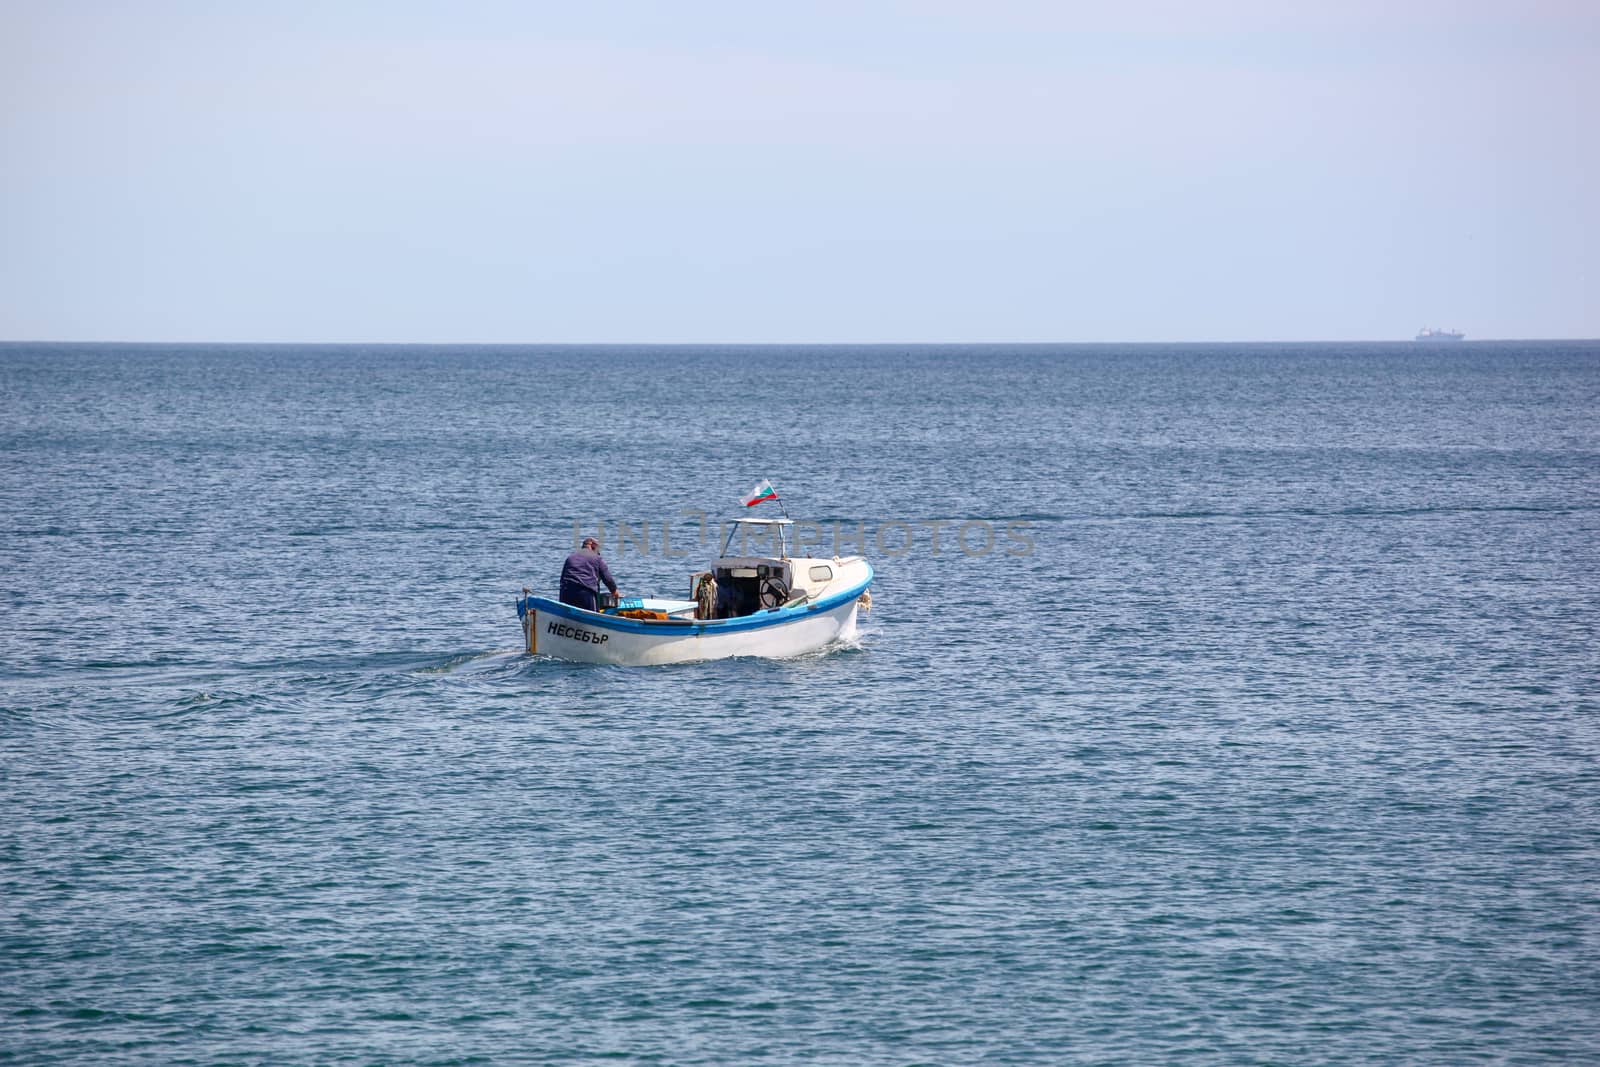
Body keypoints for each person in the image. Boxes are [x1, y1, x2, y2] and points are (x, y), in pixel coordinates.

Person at [559, 537, 619, 611]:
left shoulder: (570, 557)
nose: (598, 553)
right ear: (592, 545)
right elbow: (607, 578)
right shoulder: (597, 558)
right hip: (585, 594)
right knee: (593, 615)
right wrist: (615, 592)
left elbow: (562, 579)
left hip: (566, 592)